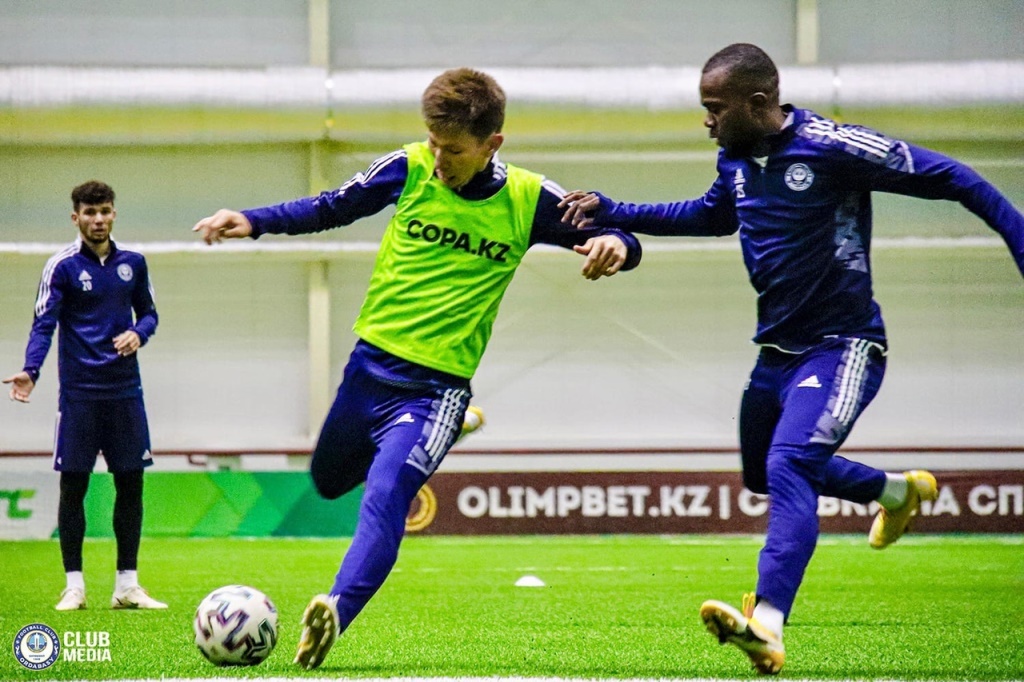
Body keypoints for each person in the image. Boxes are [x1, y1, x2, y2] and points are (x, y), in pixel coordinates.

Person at [560, 43, 1024, 675]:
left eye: (715, 108)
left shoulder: (833, 147)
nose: (707, 121)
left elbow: (955, 178)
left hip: (843, 345)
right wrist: (616, 211)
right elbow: (710, 216)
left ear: (758, 103)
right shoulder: (736, 157)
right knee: (763, 470)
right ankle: (895, 491)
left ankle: (767, 626)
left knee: (790, 464)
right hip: (775, 354)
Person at [192, 67, 642, 670]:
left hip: (434, 391)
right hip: (368, 371)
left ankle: (335, 611)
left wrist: (620, 245)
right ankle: (450, 434)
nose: (438, 160)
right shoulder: (407, 168)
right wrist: (254, 221)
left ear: (492, 144)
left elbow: (620, 234)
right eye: (433, 143)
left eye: (453, 150)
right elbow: (332, 206)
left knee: (386, 494)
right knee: (328, 480)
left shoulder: (529, 199)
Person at [4, 180, 167, 612]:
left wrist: (139, 333)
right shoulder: (61, 266)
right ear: (75, 217)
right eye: (90, 213)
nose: (98, 220)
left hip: (125, 392)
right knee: (73, 486)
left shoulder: (134, 262)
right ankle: (74, 586)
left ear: (114, 214)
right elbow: (44, 323)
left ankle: (127, 585)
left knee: (130, 484)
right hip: (79, 396)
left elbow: (150, 314)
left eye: (105, 211)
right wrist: (31, 371)